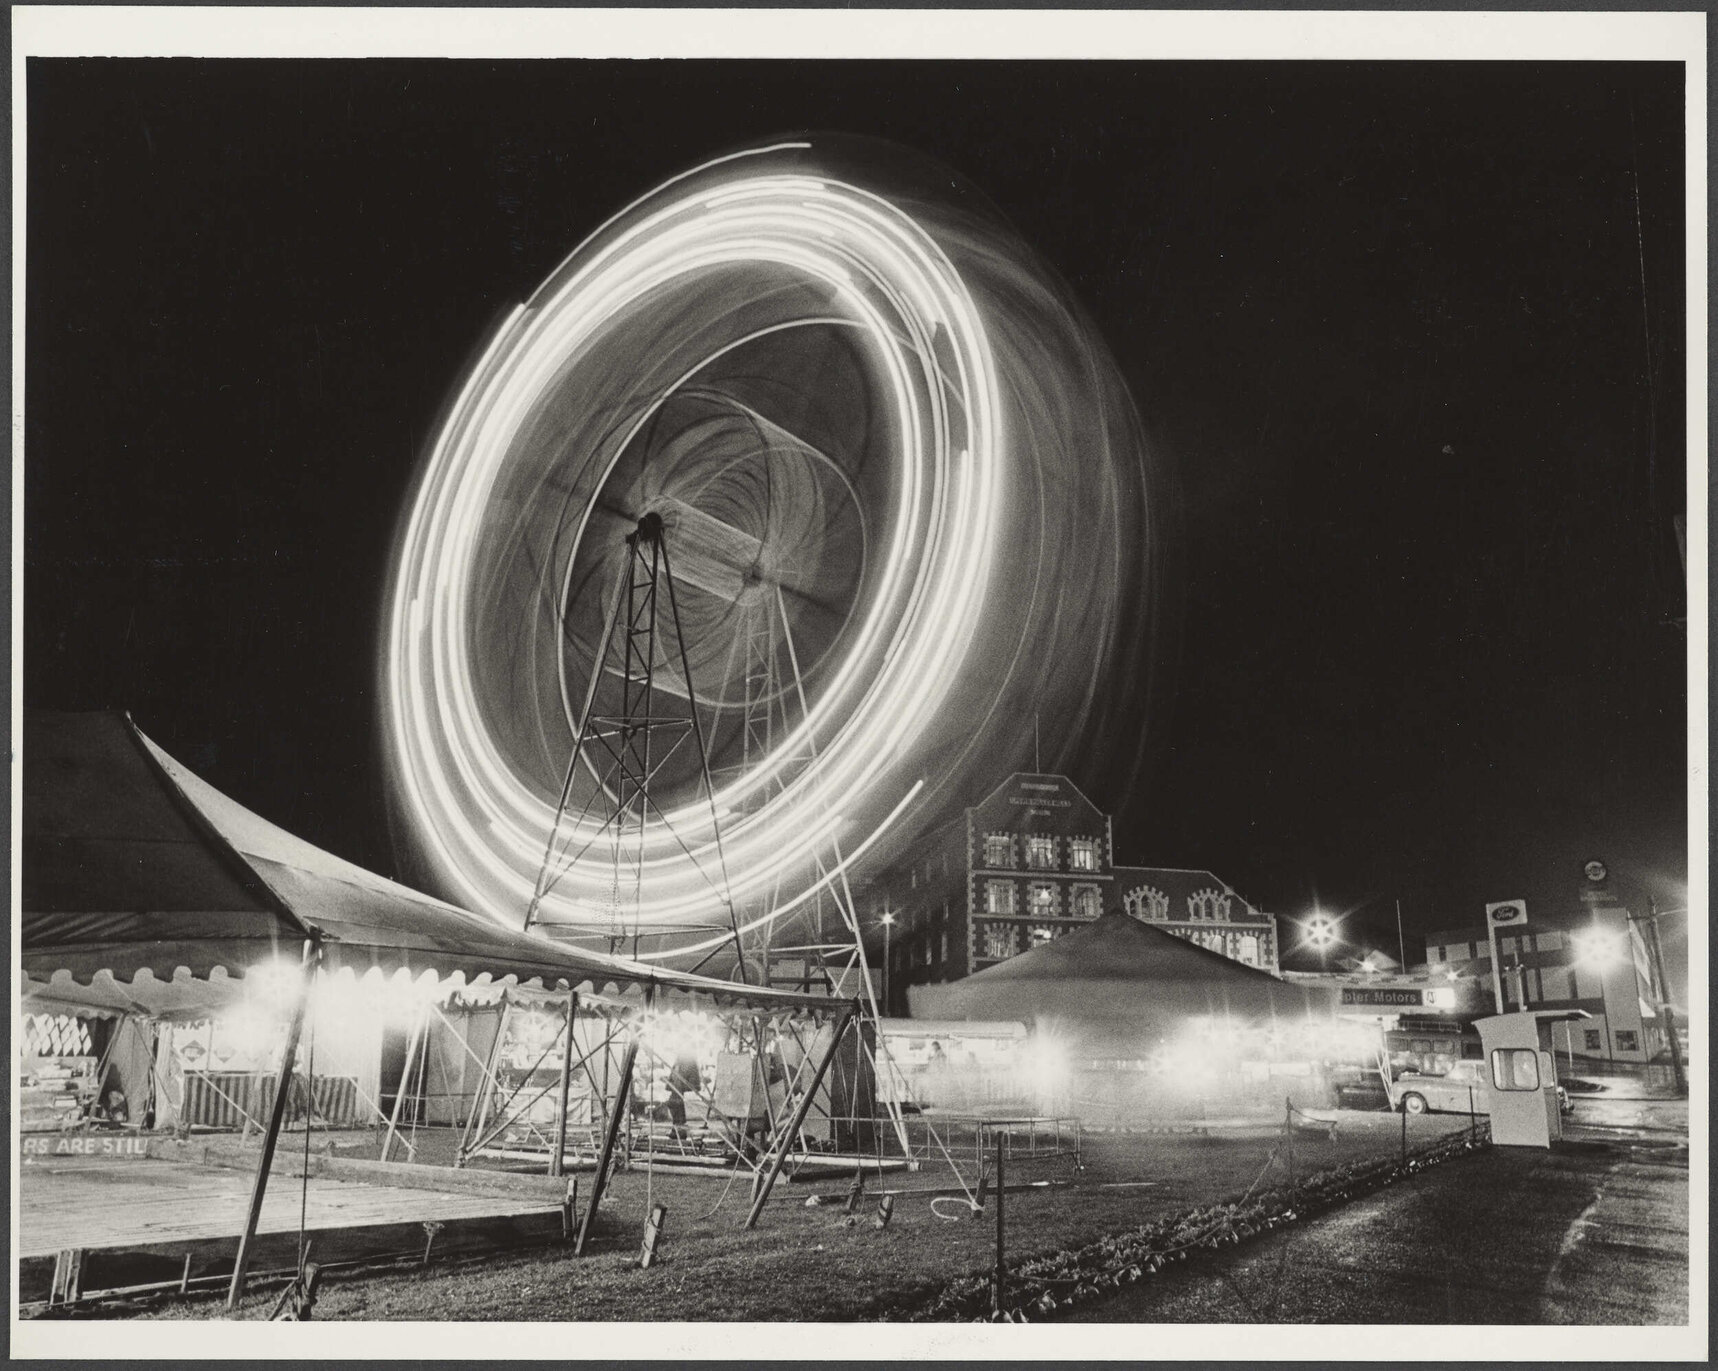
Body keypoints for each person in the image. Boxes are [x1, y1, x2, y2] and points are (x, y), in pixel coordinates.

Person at [665, 1050, 702, 1144]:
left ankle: (679, 1131)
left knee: (677, 1106)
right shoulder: (678, 1062)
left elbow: (694, 1080)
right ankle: (676, 1130)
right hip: (677, 1089)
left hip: (682, 1090)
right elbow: (673, 1075)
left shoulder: (689, 1062)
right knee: (673, 1104)